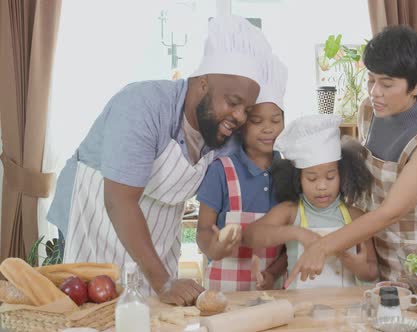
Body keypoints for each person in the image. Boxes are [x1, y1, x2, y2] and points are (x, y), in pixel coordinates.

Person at [46, 16, 273, 305]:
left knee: (152, 314)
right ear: (202, 83)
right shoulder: (143, 105)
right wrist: (163, 281)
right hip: (97, 219)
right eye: (232, 102)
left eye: (247, 108)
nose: (240, 116)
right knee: (92, 312)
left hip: (158, 233)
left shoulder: (224, 134)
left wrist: (214, 244)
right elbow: (119, 200)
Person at [285, 25, 417, 288]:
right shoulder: (370, 111)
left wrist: (322, 247)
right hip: (375, 256)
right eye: (371, 79)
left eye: (386, 84)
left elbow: (391, 211)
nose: (374, 91)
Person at [242, 114, 378, 289]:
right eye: (312, 179)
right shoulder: (290, 212)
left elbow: (373, 271)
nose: (321, 186)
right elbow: (250, 236)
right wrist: (298, 233)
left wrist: (359, 268)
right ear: (298, 179)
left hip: (345, 310)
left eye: (330, 177)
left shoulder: (356, 216)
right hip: (299, 309)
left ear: (342, 175)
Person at [196, 55, 288, 291]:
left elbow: (290, 245)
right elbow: (204, 230)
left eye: (275, 120)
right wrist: (214, 248)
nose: (268, 129)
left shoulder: (289, 173)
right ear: (243, 123)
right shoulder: (222, 171)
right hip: (223, 296)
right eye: (257, 121)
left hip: (271, 294)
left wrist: (272, 274)